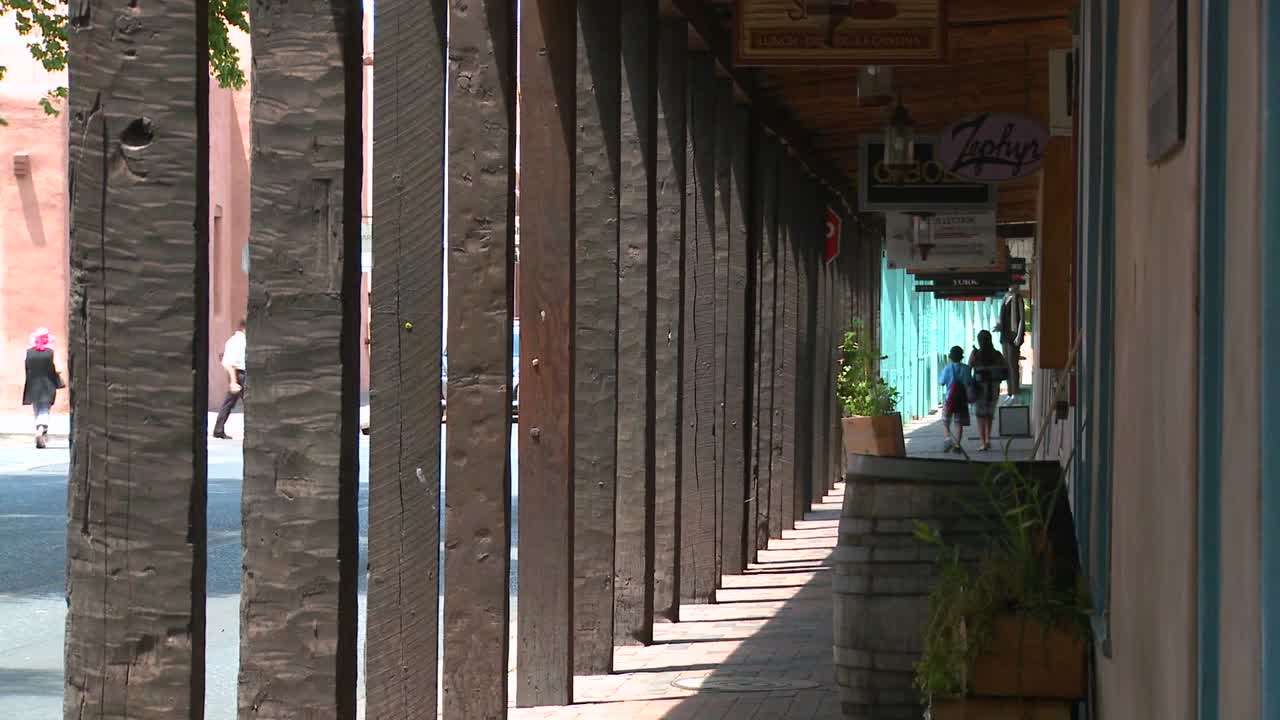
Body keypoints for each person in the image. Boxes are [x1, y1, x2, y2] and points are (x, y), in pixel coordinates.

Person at [23, 327, 63, 449]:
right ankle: (40, 431)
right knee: (45, 409)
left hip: (33, 385)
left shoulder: (29, 353)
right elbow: (54, 370)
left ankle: (39, 431)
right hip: (47, 385)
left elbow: (27, 369)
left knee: (37, 409)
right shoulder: (50, 353)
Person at [968, 330, 1007, 452]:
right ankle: (988, 439)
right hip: (994, 387)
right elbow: (1005, 369)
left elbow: (969, 368)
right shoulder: (997, 354)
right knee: (989, 414)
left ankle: (983, 442)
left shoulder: (975, 354)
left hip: (979, 388)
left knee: (980, 416)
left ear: (979, 341)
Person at [213, 319, 246, 440]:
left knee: (228, 403)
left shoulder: (234, 341)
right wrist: (233, 381)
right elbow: (230, 363)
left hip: (238, 375)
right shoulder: (239, 341)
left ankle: (218, 430)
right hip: (240, 375)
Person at [938, 345, 971, 454]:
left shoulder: (947, 368)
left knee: (946, 420)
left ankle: (948, 438)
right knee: (958, 422)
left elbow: (941, 382)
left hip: (949, 399)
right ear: (961, 356)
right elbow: (969, 382)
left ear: (950, 357)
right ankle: (957, 445)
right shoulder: (966, 368)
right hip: (962, 400)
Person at [997, 284, 1025, 397]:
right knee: (1007, 365)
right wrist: (999, 326)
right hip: (1004, 334)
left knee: (1013, 364)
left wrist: (1019, 335)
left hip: (1013, 334)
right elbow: (1002, 317)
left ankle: (1015, 392)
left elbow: (1022, 318)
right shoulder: (1005, 298)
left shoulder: (1018, 298)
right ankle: (1010, 392)